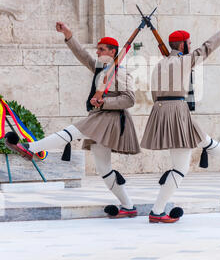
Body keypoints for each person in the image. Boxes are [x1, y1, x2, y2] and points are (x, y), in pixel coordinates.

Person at [5, 22, 141, 219]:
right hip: (99, 117)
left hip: (109, 119)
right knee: (104, 169)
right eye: (98, 48)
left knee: (73, 130)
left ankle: (31, 148)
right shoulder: (101, 68)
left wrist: (104, 102)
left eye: (101, 49)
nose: (97, 51)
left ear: (112, 52)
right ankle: (128, 206)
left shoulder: (120, 72)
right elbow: (83, 55)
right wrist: (68, 35)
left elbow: (130, 99)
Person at [141, 14, 220, 223]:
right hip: (177, 111)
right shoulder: (183, 61)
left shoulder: (159, 65)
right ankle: (157, 211)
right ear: (182, 45)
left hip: (162, 110)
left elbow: (154, 93)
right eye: (189, 43)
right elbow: (209, 46)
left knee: (205, 141)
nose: (191, 45)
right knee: (180, 168)